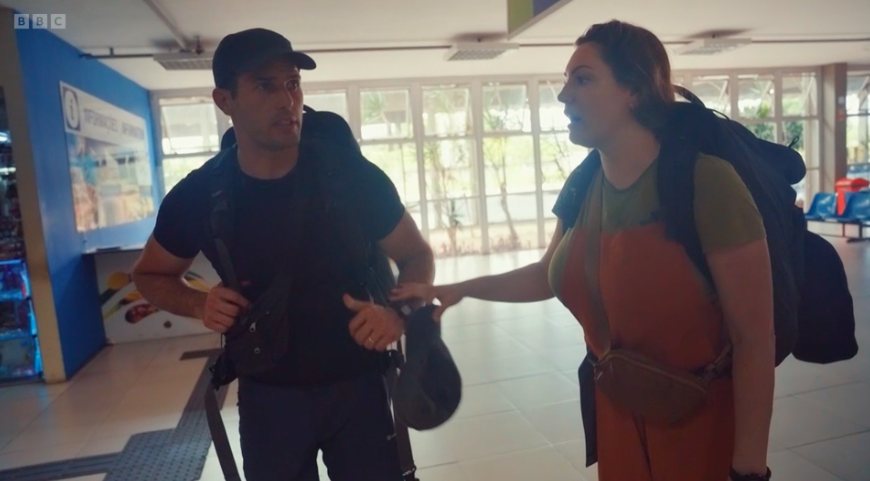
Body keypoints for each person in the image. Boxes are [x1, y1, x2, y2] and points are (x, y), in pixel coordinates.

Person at [391, 20, 774, 481]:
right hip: (616, 418)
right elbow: (546, 274)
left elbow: (754, 339)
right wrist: (457, 288)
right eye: (566, 80)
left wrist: (749, 471)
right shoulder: (584, 186)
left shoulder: (706, 183)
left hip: (698, 424)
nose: (564, 95)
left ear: (634, 90)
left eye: (583, 78)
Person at [131, 28, 434, 481]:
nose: (287, 99)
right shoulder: (202, 193)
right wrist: (199, 303)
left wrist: (400, 311)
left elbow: (416, 255)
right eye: (265, 85)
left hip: (359, 387)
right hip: (268, 397)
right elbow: (150, 275)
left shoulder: (348, 174)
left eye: (292, 83)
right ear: (224, 100)